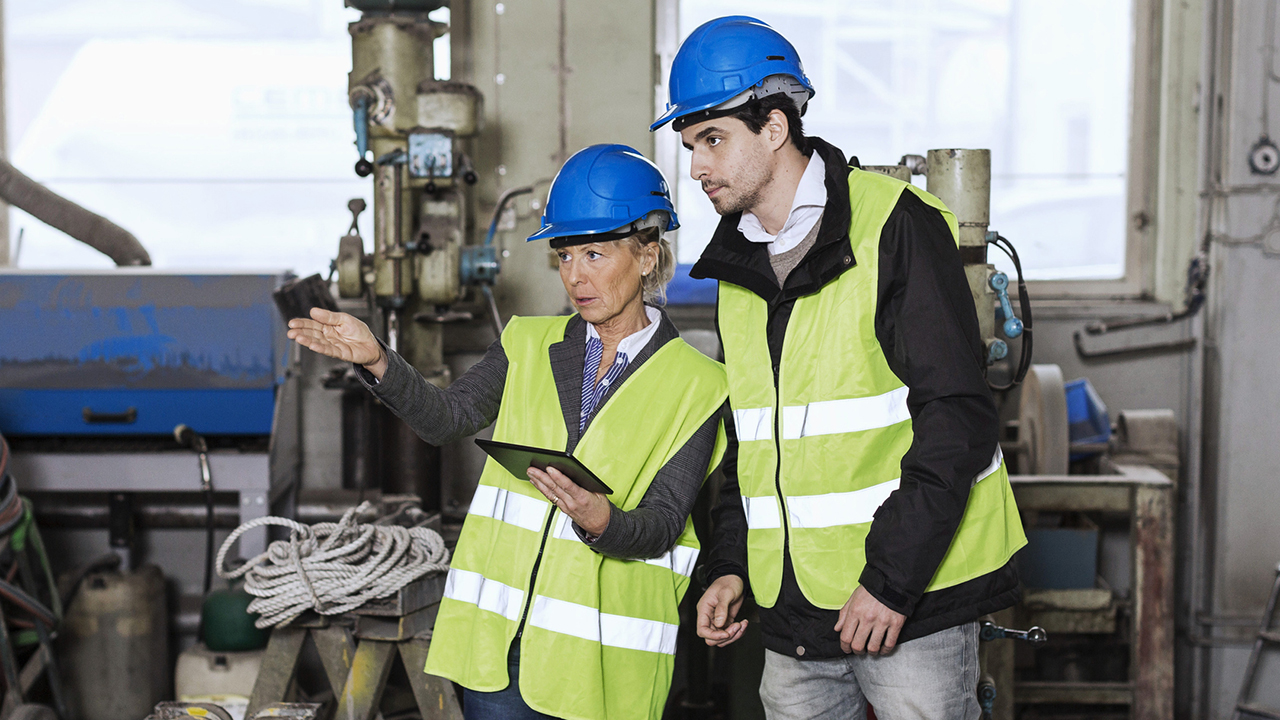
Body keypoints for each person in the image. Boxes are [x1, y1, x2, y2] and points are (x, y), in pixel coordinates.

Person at [651, 16, 1027, 720]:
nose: (696, 166)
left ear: (772, 127)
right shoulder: (735, 268)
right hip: (795, 617)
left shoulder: (897, 224)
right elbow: (750, 447)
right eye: (690, 145)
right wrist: (731, 564)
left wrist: (889, 583)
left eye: (711, 140)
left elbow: (958, 419)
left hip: (908, 605)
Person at [285, 144, 728, 720]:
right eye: (565, 256)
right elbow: (446, 420)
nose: (576, 276)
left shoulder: (699, 384)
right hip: (501, 654)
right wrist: (378, 361)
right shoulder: (527, 343)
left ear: (647, 256)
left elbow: (666, 522)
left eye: (594, 253)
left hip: (600, 670)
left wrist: (603, 522)